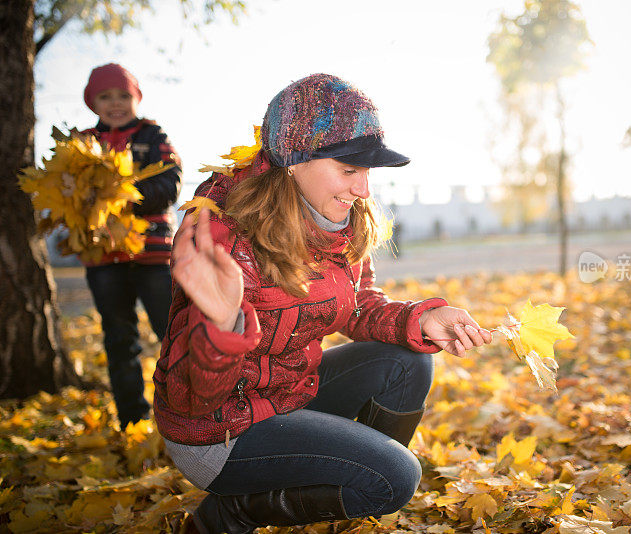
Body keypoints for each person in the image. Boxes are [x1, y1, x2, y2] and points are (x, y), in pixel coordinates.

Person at [152, 73, 491, 534]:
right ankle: (234, 512)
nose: (363, 190)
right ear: (293, 162)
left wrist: (422, 318)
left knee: (409, 363)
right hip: (220, 431)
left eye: (367, 173)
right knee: (396, 476)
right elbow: (193, 392)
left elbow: (357, 305)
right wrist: (220, 326)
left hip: (289, 395)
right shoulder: (222, 232)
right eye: (350, 171)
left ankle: (341, 486)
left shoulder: (339, 219)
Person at [81, 63, 182, 429]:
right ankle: (133, 420)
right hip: (103, 256)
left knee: (171, 332)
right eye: (105, 96)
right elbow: (69, 191)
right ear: (93, 103)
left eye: (124, 95)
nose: (115, 103)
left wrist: (122, 197)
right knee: (119, 338)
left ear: (136, 97)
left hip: (150, 251)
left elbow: (169, 183)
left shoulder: (153, 136)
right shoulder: (83, 143)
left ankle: (186, 412)